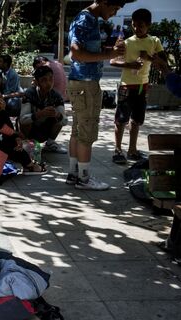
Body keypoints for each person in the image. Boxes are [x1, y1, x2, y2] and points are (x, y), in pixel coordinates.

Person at [65, 0, 133, 191]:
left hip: (82, 83)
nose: (114, 12)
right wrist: (109, 54)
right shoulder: (85, 19)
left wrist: (108, 51)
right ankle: (84, 179)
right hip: (85, 84)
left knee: (78, 131)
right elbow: (76, 53)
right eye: (114, 7)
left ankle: (74, 174)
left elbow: (85, 51)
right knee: (86, 133)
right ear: (104, 1)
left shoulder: (89, 19)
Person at [110, 8, 165, 164]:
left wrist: (148, 58)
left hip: (143, 86)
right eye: (133, 25)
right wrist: (129, 64)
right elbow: (113, 61)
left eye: (140, 25)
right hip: (126, 87)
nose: (136, 28)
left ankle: (132, 150)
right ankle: (118, 150)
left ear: (149, 25)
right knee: (121, 120)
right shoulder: (126, 42)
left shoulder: (154, 41)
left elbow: (163, 63)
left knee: (136, 120)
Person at [19, 66, 68, 154]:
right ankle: (29, 143)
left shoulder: (56, 97)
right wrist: (40, 114)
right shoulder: (29, 94)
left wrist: (57, 114)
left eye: (50, 79)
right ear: (37, 82)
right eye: (44, 80)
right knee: (25, 122)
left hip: (45, 129)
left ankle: (50, 144)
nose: (49, 83)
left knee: (59, 118)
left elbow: (64, 121)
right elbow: (22, 119)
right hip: (31, 129)